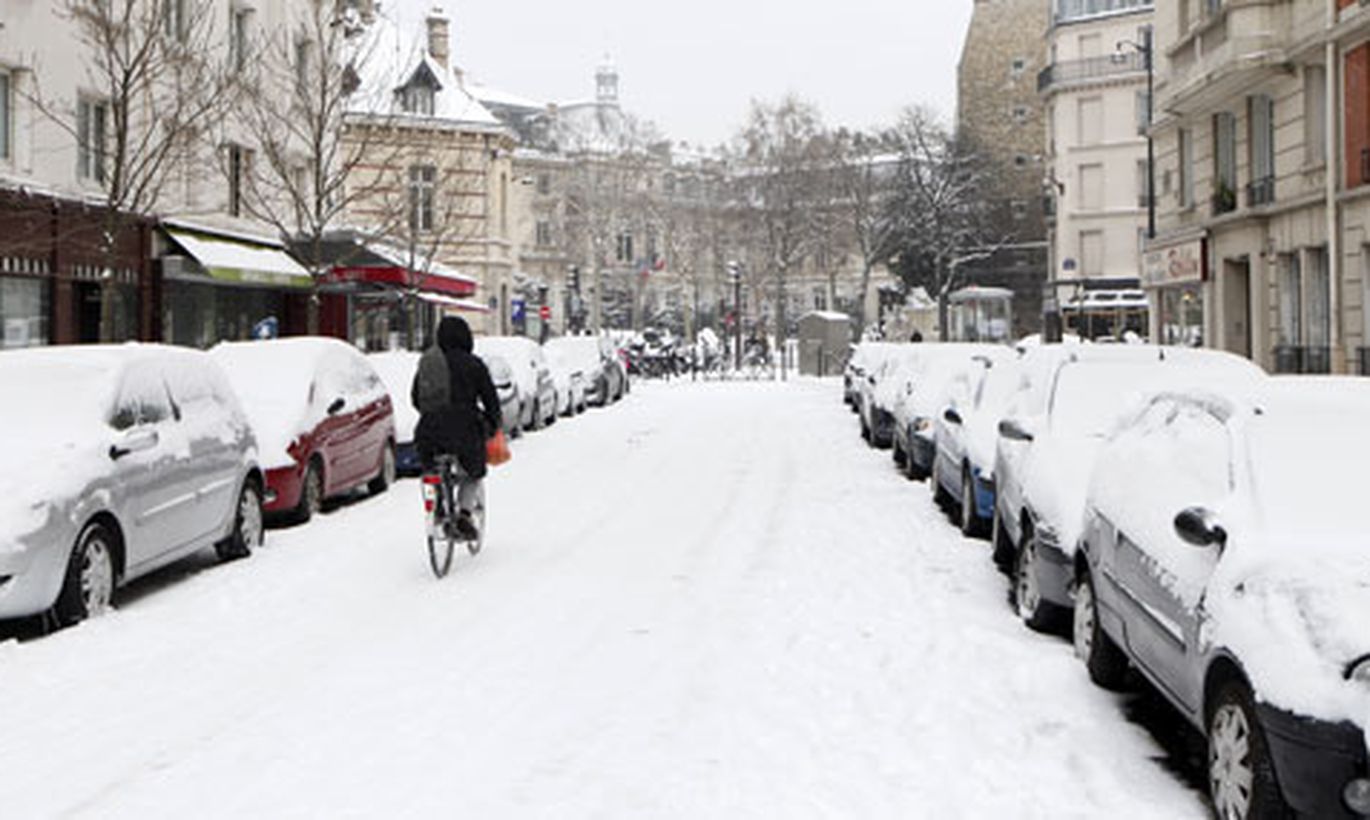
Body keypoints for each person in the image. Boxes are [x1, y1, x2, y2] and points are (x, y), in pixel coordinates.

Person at [412, 316, 502, 540]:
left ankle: (439, 508)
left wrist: (430, 415)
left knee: (432, 469)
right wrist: (493, 424)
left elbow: (416, 397)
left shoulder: (429, 363)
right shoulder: (474, 364)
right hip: (465, 430)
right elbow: (490, 400)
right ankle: (463, 514)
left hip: (429, 432)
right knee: (473, 472)